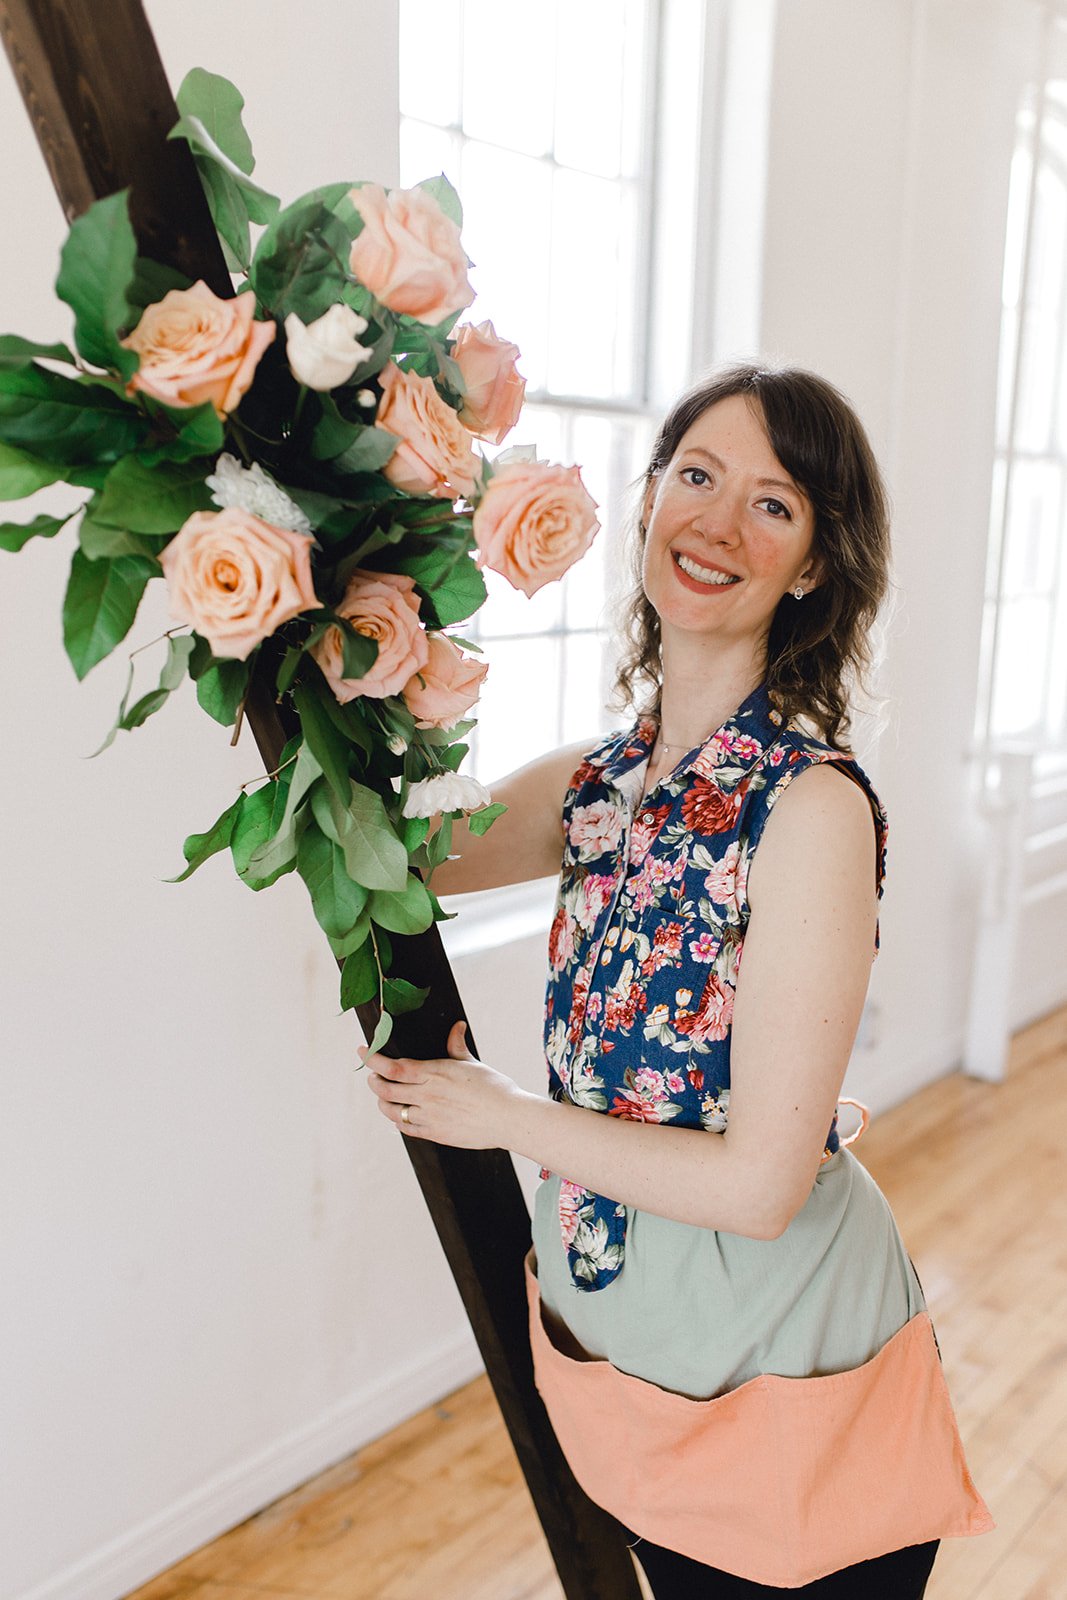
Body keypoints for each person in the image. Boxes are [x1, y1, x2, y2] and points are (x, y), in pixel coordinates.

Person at [361, 364, 993, 1596]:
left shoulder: (809, 810)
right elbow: (398, 857)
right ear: (647, 499)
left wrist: (501, 1119)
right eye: (695, 476)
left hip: (787, 1391)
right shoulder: (600, 782)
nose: (713, 523)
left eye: (772, 503)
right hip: (639, 1379)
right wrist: (359, 611)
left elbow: (760, 1187)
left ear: (811, 564)